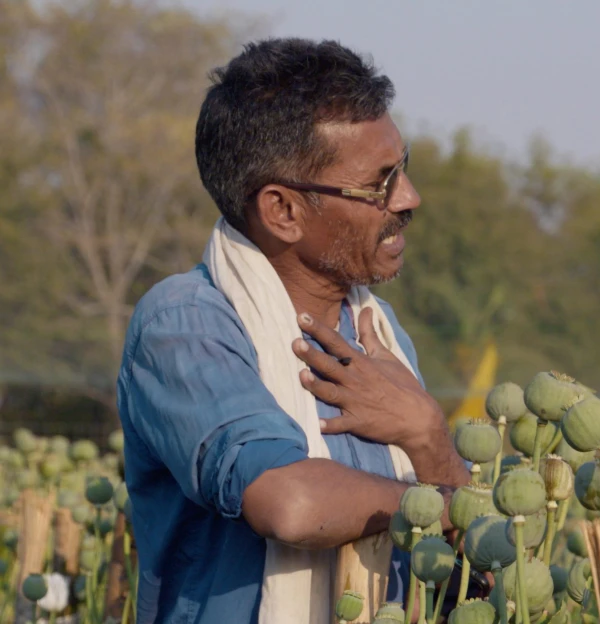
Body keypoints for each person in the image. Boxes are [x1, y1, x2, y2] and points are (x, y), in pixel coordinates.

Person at [116, 38, 471, 624]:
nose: (408, 198)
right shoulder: (185, 325)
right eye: (378, 184)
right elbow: (291, 503)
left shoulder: (379, 333)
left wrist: (430, 438)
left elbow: (458, 567)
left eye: (402, 169)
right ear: (282, 210)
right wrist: (446, 504)